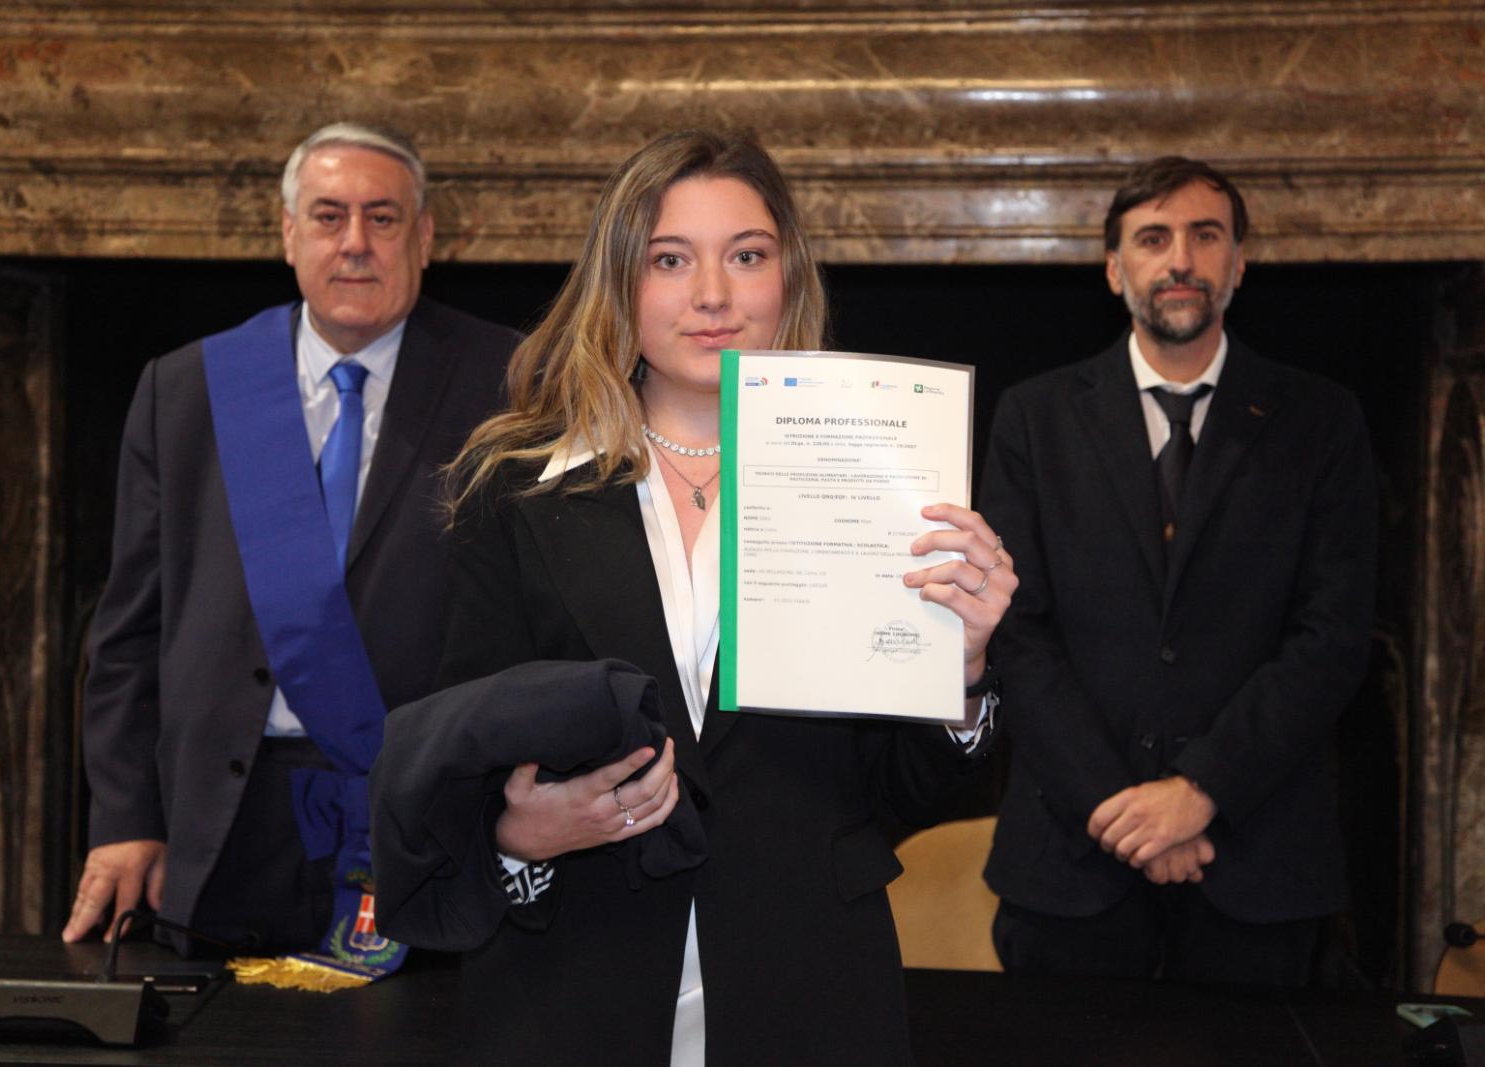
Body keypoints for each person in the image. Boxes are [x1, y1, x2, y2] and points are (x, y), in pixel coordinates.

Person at [371, 129, 1016, 1064]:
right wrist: (519, 835)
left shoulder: (884, 482)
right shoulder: (511, 488)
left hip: (809, 987)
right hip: (571, 986)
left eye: (745, 256)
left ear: (787, 277)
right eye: (670, 259)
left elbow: (899, 788)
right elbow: (462, 749)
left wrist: (961, 671)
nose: (713, 294)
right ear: (619, 281)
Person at [61, 122, 519, 956]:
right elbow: (127, 634)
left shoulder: (511, 383)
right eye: (328, 216)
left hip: (419, 818)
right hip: (223, 819)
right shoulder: (188, 388)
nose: (355, 242)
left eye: (383, 218)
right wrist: (126, 817)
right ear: (287, 234)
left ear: (425, 238)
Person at [978, 156, 1377, 985]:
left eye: (1206, 236)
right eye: (1153, 239)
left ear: (1240, 262)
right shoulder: (1033, 417)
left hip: (1259, 861)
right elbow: (1015, 630)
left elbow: (1332, 636)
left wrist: (1201, 791)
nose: (1181, 260)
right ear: (1114, 267)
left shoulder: (1323, 420)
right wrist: (1119, 810)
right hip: (1072, 862)